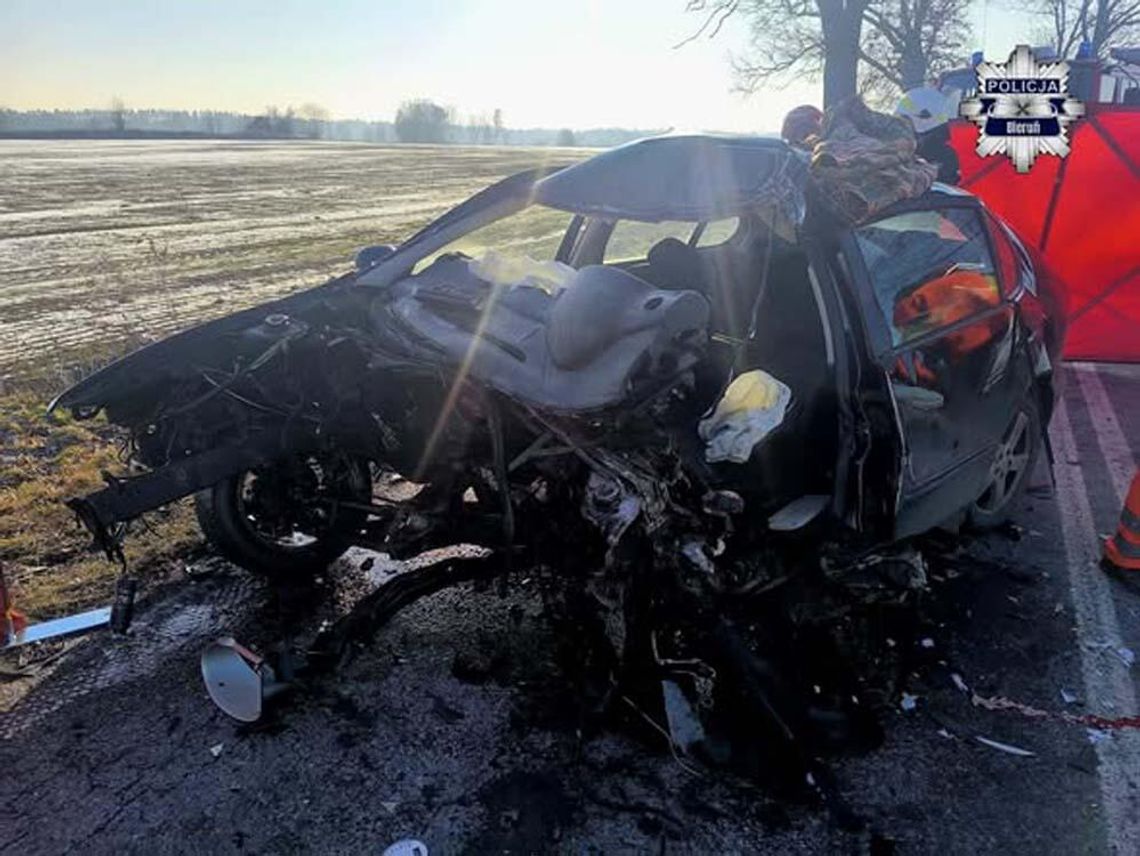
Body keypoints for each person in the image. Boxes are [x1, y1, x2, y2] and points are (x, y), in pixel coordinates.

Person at [895, 87, 960, 185]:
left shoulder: (944, 157)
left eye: (906, 122)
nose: (902, 129)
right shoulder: (906, 151)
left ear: (923, 119)